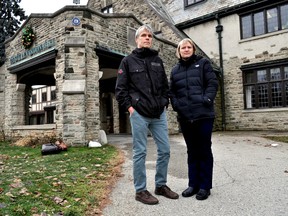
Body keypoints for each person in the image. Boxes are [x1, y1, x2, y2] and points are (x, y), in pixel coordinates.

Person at [115, 25, 179, 205]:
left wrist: (164, 103)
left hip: (159, 114)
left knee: (165, 150)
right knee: (140, 152)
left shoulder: (157, 60)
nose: (147, 38)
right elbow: (120, 90)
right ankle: (140, 190)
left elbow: (165, 87)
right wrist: (131, 109)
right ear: (137, 39)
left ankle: (161, 185)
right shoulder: (127, 61)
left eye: (150, 36)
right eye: (143, 35)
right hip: (139, 114)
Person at [169, 38, 218, 200]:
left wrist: (207, 99)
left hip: (203, 115)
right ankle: (193, 184)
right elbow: (172, 92)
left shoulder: (203, 64)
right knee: (192, 151)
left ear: (193, 49)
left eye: (189, 47)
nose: (186, 49)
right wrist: (177, 105)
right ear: (179, 51)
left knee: (204, 150)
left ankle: (205, 186)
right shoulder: (175, 70)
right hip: (185, 117)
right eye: (183, 47)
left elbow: (212, 83)